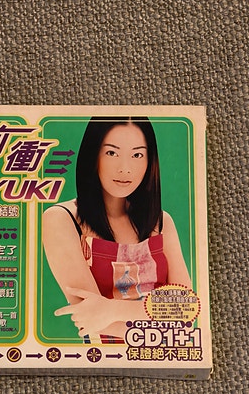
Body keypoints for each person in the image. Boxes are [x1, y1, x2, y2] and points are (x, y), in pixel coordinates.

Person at [42, 116, 191, 343]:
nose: (125, 169)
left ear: (149, 161)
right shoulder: (61, 218)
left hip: (171, 353)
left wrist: (113, 309)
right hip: (104, 356)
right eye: (112, 153)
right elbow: (92, 318)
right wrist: (163, 321)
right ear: (93, 155)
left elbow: (186, 308)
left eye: (137, 155)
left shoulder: (161, 221)